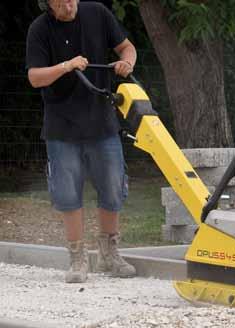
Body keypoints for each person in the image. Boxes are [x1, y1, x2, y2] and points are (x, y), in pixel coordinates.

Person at [26, 0, 137, 283]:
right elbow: (35, 77)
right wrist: (66, 65)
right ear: (47, 3)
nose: (69, 4)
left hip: (102, 121)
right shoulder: (39, 29)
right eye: (61, 1)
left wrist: (126, 62)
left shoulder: (97, 13)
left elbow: (127, 47)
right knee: (68, 194)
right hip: (62, 127)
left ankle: (109, 254)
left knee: (113, 187)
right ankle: (77, 259)